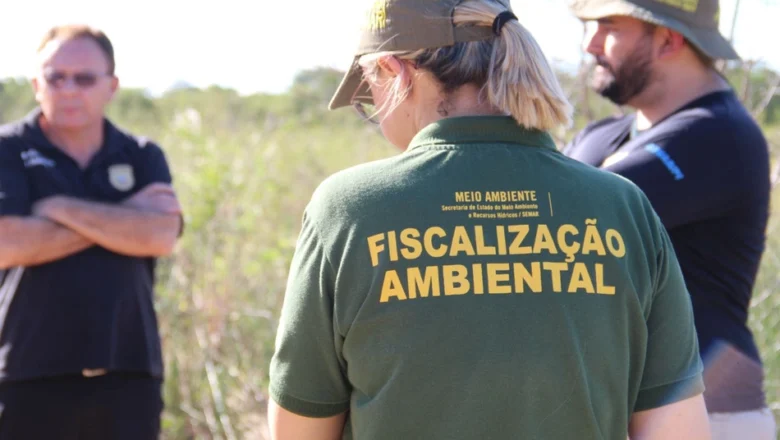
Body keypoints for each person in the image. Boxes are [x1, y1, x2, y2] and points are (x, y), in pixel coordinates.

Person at [267, 0, 711, 438]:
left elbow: (298, 431)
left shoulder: (347, 210)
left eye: (370, 97)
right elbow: (678, 429)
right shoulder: (624, 208)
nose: (376, 115)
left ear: (396, 73)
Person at [562, 0, 775, 438]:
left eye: (608, 26)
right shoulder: (601, 135)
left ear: (668, 39)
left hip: (709, 419)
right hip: (626, 415)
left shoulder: (720, 137)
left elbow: (566, 216)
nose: (591, 45)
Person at [0, 25, 182, 439]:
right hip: (27, 374)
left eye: (84, 78)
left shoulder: (141, 155)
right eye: (54, 77)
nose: (68, 89)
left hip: (128, 372)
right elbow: (6, 243)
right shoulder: (7, 148)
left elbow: (161, 236)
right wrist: (125, 218)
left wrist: (57, 209)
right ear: (35, 84)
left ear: (112, 86)